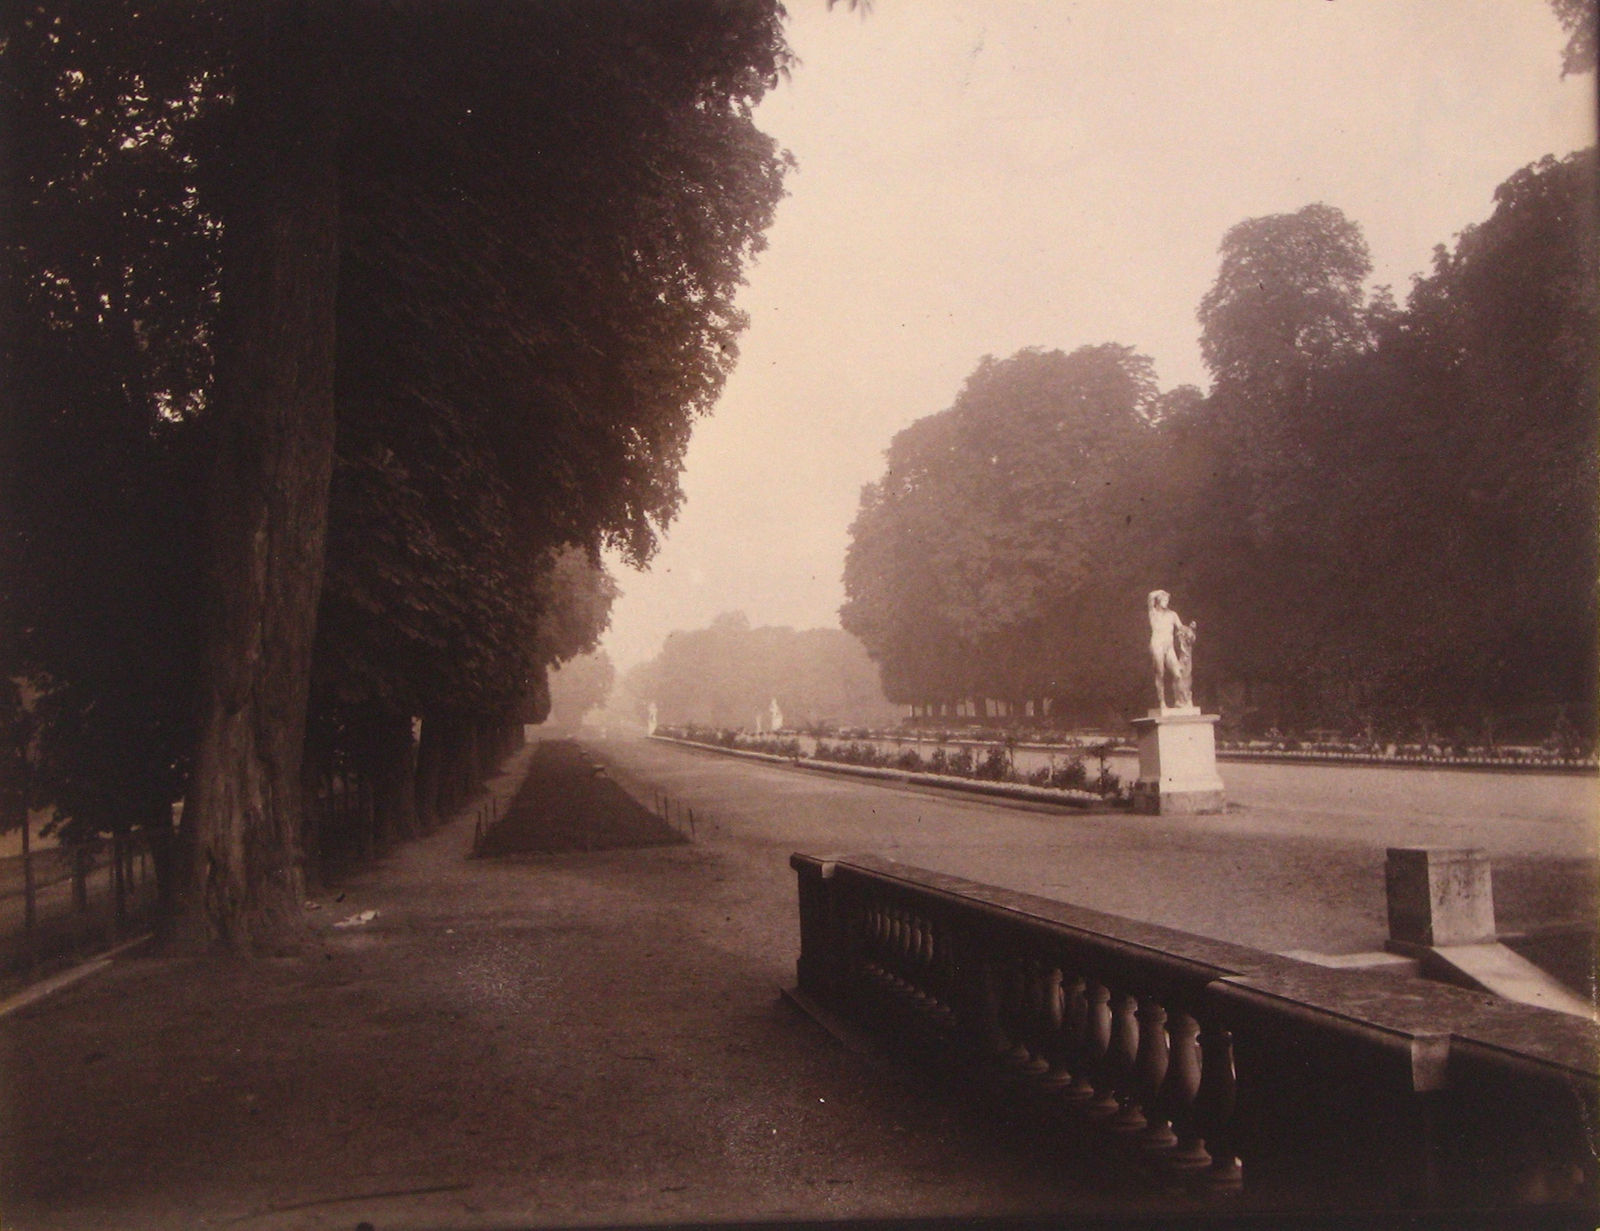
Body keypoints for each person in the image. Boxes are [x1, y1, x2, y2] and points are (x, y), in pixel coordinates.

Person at [1148, 590, 1197, 710]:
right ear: (1158, 601)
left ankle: (1179, 701)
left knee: (1178, 674)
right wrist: (1161, 592)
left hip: (1169, 647)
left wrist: (1190, 629)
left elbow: (1181, 627)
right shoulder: (1153, 613)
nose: (1166, 602)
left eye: (1167, 600)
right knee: (1160, 673)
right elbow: (1150, 596)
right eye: (1164, 600)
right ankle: (1162, 702)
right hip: (1157, 645)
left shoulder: (1172, 614)